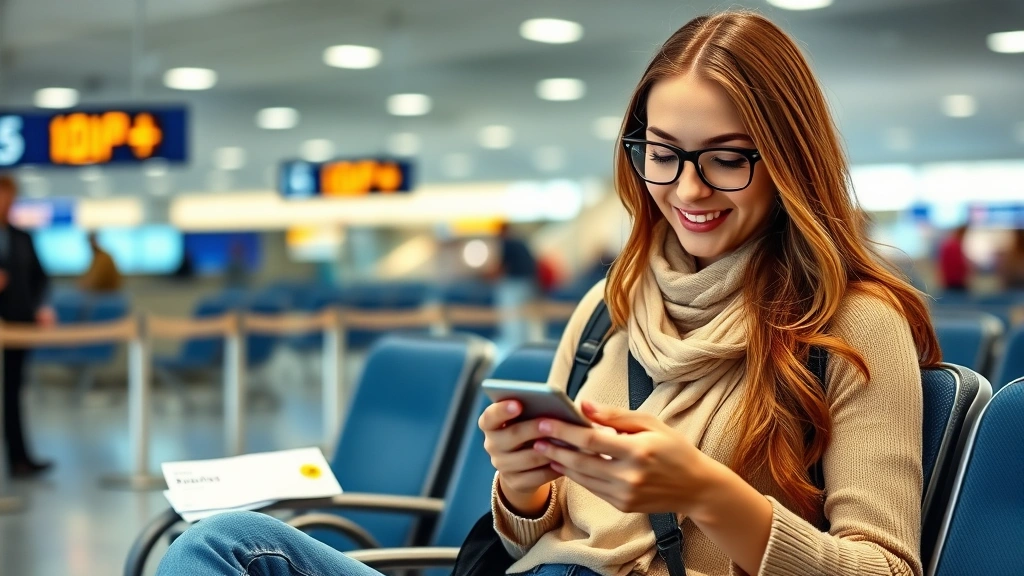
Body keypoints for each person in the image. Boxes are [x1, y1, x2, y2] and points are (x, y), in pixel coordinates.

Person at [157, 12, 938, 576]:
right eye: (660, 155)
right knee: (218, 545)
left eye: (726, 159)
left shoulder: (853, 325)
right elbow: (535, 539)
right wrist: (523, 485)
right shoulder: (611, 306)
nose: (687, 189)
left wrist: (708, 495)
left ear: (790, 160)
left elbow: (883, 571)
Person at [0, 174, 55, 478]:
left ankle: (19, 458)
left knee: (13, 392)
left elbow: (40, 278)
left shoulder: (22, 237)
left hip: (19, 326)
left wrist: (40, 307)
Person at [938, 223, 970, 292]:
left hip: (951, 279)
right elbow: (958, 264)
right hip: (955, 280)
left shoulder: (950, 244)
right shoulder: (954, 246)